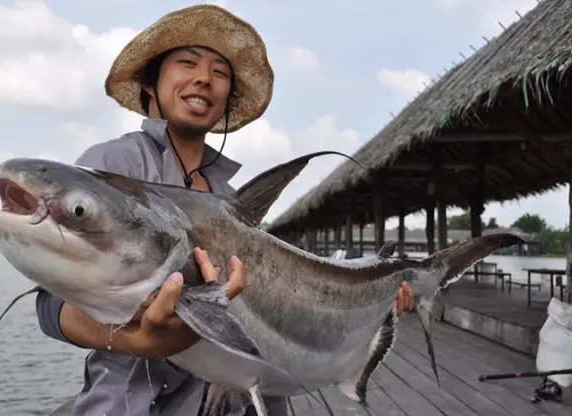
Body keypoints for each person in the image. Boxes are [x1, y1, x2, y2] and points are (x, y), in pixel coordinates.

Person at [36, 5, 416, 416]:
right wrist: (135, 340)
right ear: (151, 82)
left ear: (227, 100)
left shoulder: (230, 196)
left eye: (220, 72)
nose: (204, 78)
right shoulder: (113, 166)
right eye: (187, 63)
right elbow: (50, 306)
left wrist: (375, 304)